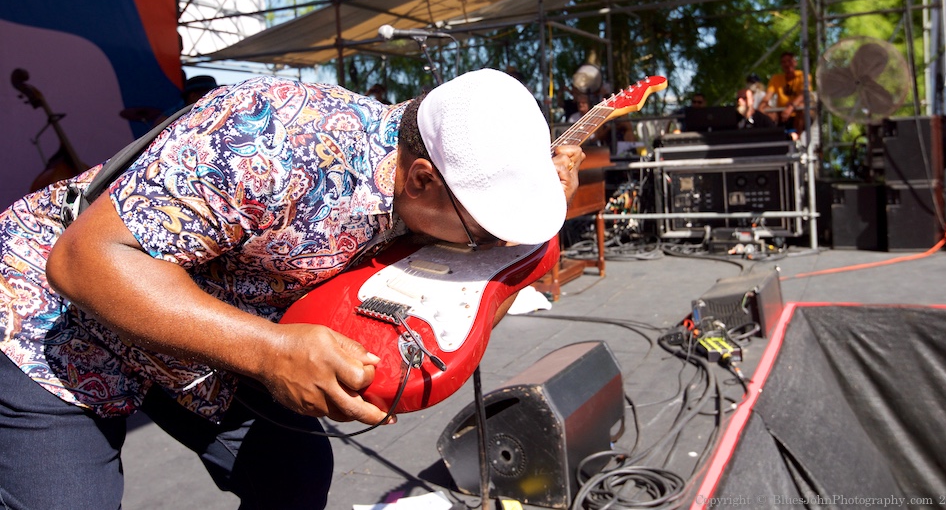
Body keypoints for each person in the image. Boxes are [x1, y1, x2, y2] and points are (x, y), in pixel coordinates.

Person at [0, 68, 583, 509]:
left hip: (192, 330)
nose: (488, 241)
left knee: (294, 473)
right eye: (484, 226)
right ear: (422, 179)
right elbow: (84, 261)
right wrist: (271, 351)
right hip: (58, 321)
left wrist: (533, 192)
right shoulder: (270, 141)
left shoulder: (425, 176)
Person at [758, 51, 814, 135]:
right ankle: (771, 137)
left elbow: (803, 94)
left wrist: (791, 107)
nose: (787, 64)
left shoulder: (804, 76)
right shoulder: (776, 78)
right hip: (782, 115)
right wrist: (760, 110)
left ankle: (796, 139)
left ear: (795, 63)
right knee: (764, 110)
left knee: (801, 107)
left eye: (789, 61)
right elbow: (767, 97)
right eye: (783, 62)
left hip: (799, 115)